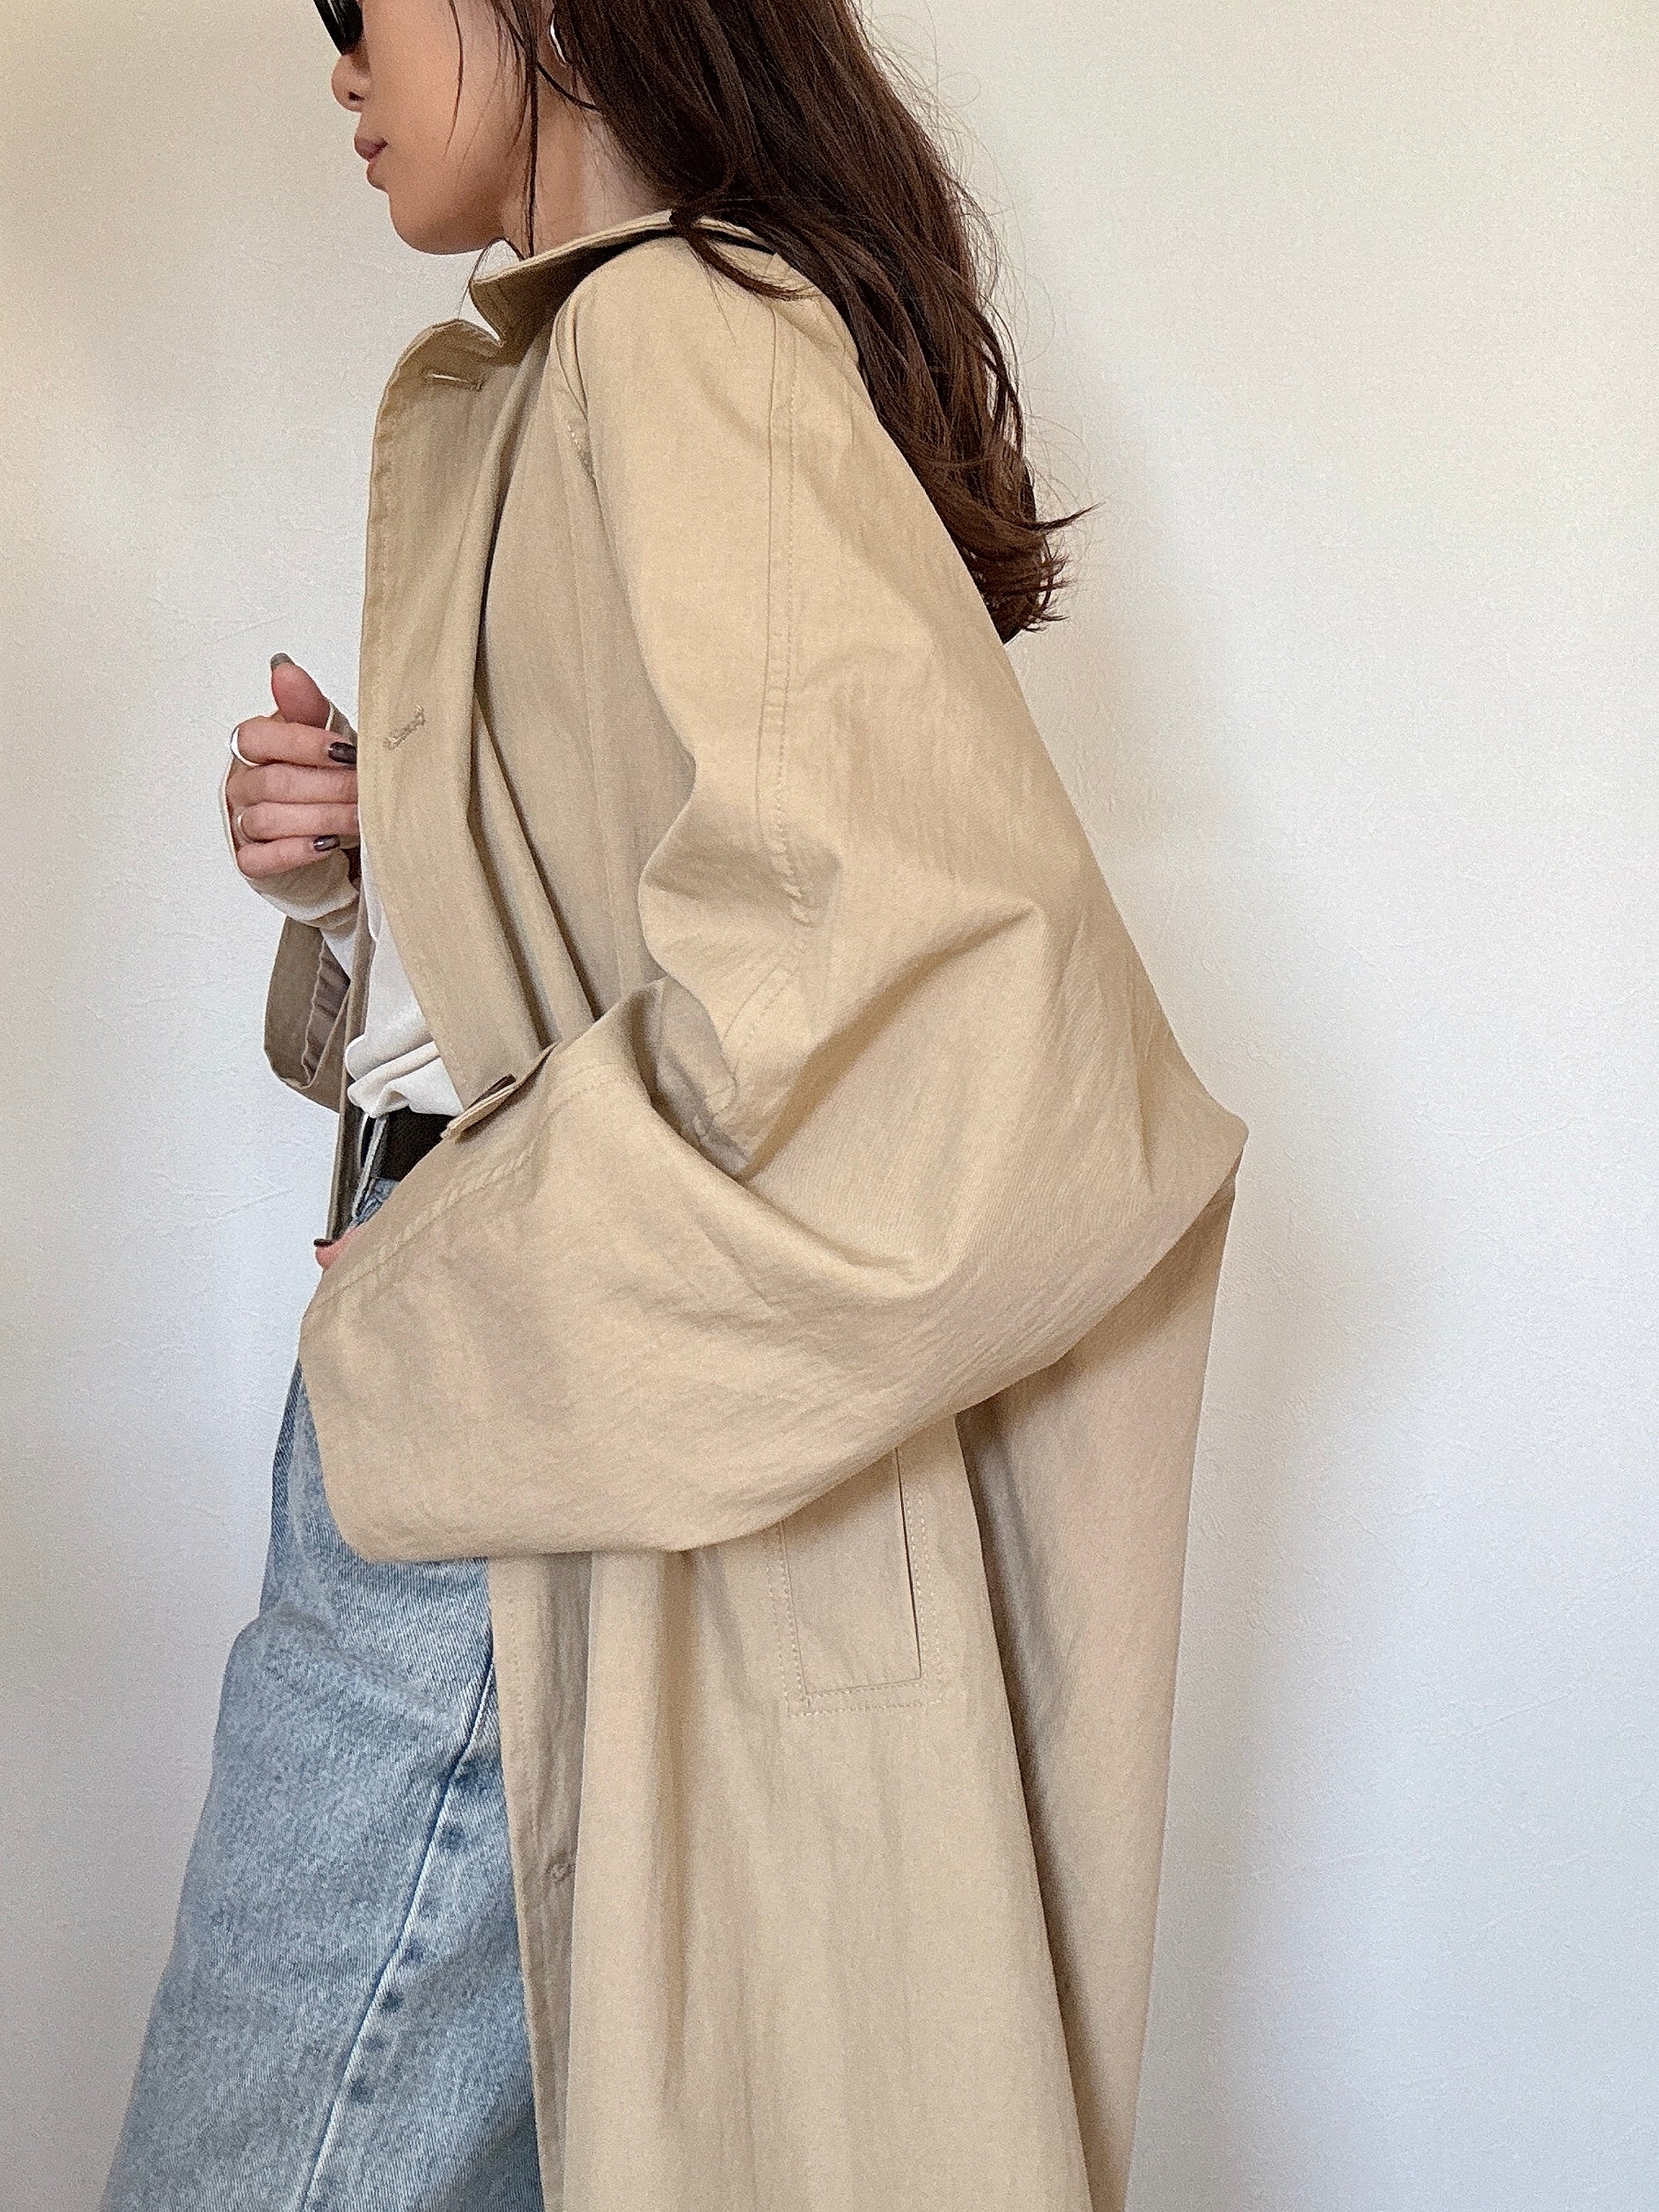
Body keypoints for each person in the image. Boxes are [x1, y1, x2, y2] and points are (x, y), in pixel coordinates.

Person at [104, 4, 1250, 2208]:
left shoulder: (676, 337)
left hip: (531, 1445)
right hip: (549, 1410)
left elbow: (911, 990)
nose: (336, 69)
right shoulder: (610, 356)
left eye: (360, 11)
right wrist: (369, 880)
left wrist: (444, 1275)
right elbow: (680, 945)